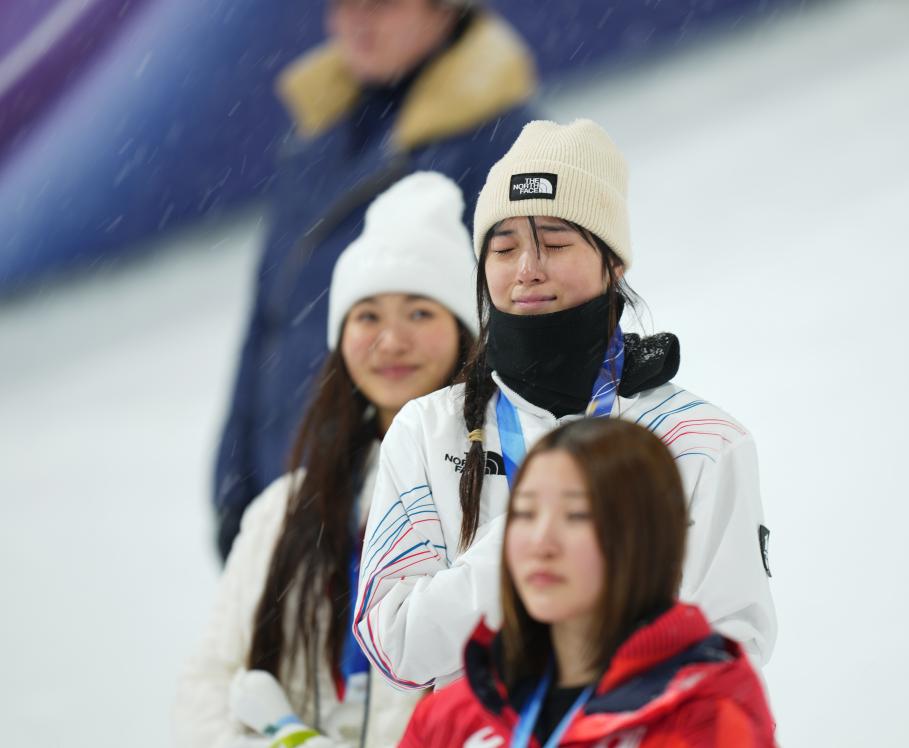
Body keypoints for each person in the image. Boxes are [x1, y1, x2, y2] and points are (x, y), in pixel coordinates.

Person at [354, 119, 777, 695]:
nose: (527, 268)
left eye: (554, 244)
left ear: (614, 262)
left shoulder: (699, 440)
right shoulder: (429, 431)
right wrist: (534, 536)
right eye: (504, 248)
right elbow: (397, 648)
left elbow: (730, 656)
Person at [213, 0, 540, 559]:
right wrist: (235, 485)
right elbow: (269, 322)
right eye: (342, 3)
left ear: (444, 9)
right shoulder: (315, 134)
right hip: (292, 499)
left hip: (409, 517)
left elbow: (522, 346)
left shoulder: (500, 145)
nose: (357, 19)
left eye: (382, 3)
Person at [174, 173, 478, 748]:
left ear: (465, 333)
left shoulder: (492, 497)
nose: (391, 341)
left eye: (419, 313)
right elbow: (207, 685)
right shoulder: (283, 510)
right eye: (368, 316)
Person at [398, 418, 777, 747]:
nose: (541, 541)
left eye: (576, 515)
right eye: (525, 513)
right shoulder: (455, 713)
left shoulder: (709, 710)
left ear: (645, 535)